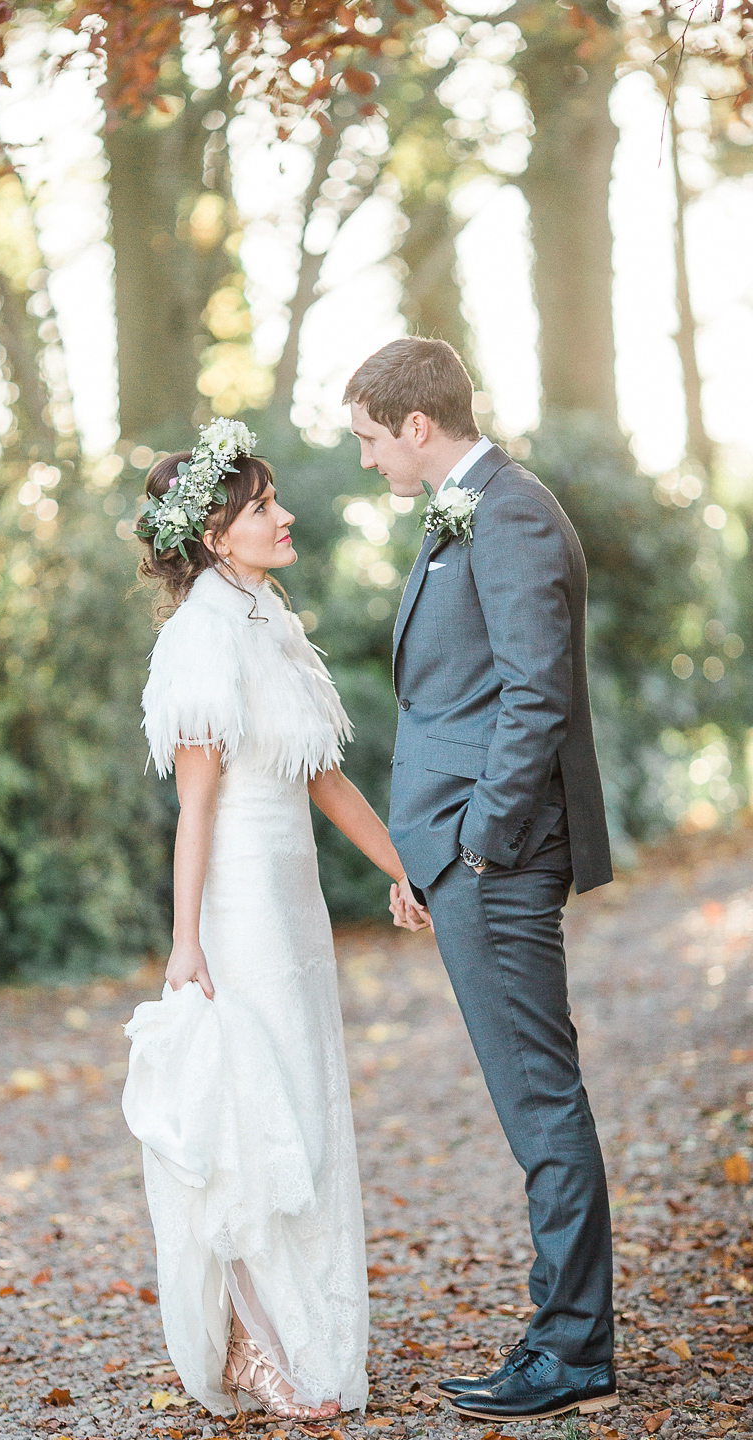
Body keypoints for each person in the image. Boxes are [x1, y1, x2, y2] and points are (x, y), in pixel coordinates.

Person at [122, 418, 427, 1423]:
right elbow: (196, 808)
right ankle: (256, 1343)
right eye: (262, 508)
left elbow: (324, 777)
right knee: (259, 1117)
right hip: (240, 902)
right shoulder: (201, 638)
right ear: (216, 535)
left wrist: (404, 868)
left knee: (306, 1100)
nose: (284, 515)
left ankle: (303, 1329)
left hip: (295, 904)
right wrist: (186, 943)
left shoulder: (270, 622)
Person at [345, 338, 618, 1423]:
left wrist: (476, 847)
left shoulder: (506, 512)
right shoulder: (466, 506)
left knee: (539, 1097)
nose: (365, 459)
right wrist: (428, 853)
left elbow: (535, 698)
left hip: (497, 858)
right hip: (460, 850)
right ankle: (564, 1334)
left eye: (369, 437)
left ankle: (573, 1349)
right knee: (530, 1099)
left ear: (418, 425)